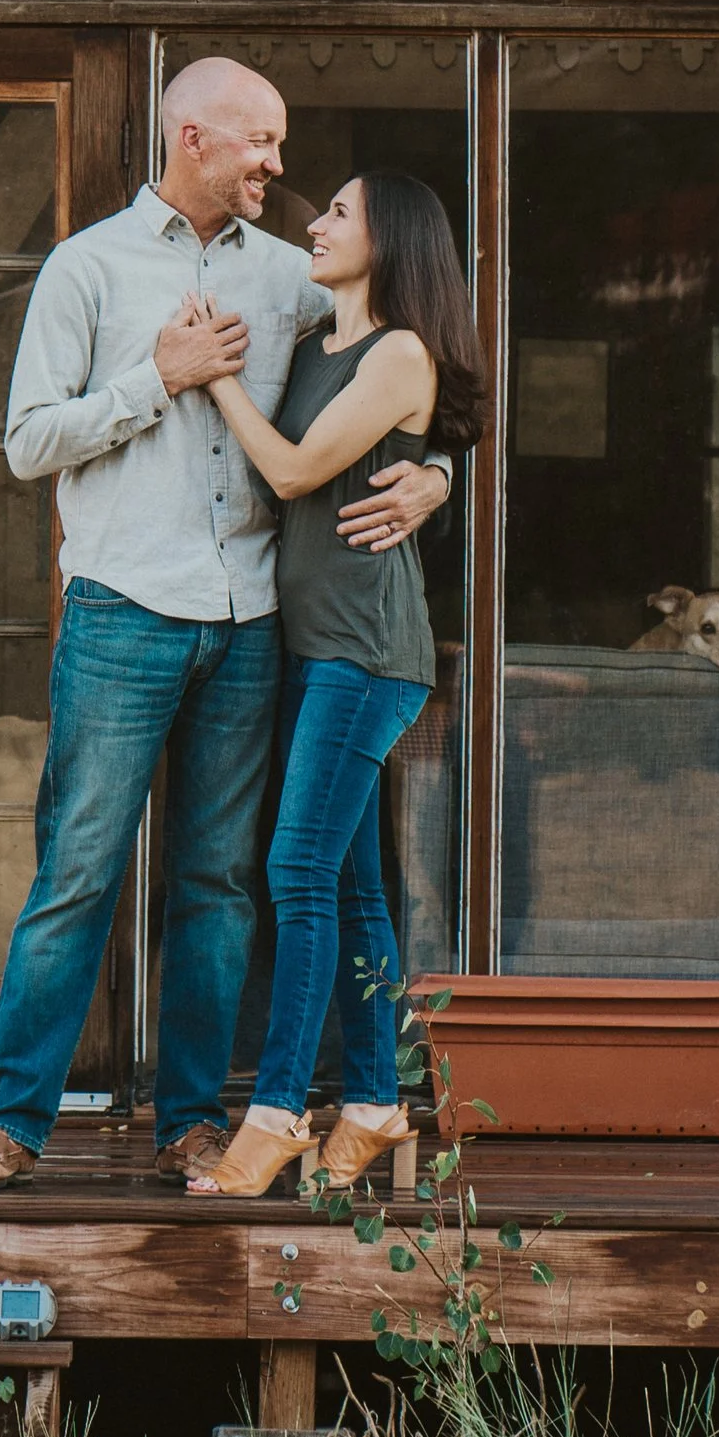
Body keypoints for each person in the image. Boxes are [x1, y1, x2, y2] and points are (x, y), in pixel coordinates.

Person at [0, 60, 451, 1190]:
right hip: (124, 609)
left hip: (256, 619)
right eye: (259, 142)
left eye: (281, 144)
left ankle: (192, 1124)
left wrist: (437, 473)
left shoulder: (296, 278)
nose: (279, 166)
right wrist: (155, 379)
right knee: (78, 868)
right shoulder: (87, 269)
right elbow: (25, 443)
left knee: (217, 882)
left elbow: (402, 366)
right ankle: (10, 1123)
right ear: (191, 137)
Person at [185, 168, 484, 1198]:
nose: (314, 224)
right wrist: (441, 475)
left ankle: (274, 1116)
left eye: (340, 214)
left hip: (366, 650)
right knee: (354, 890)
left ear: (390, 239)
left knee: (298, 874)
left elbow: (294, 471)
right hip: (316, 647)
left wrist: (212, 376)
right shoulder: (321, 343)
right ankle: (371, 1101)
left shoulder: (400, 353)